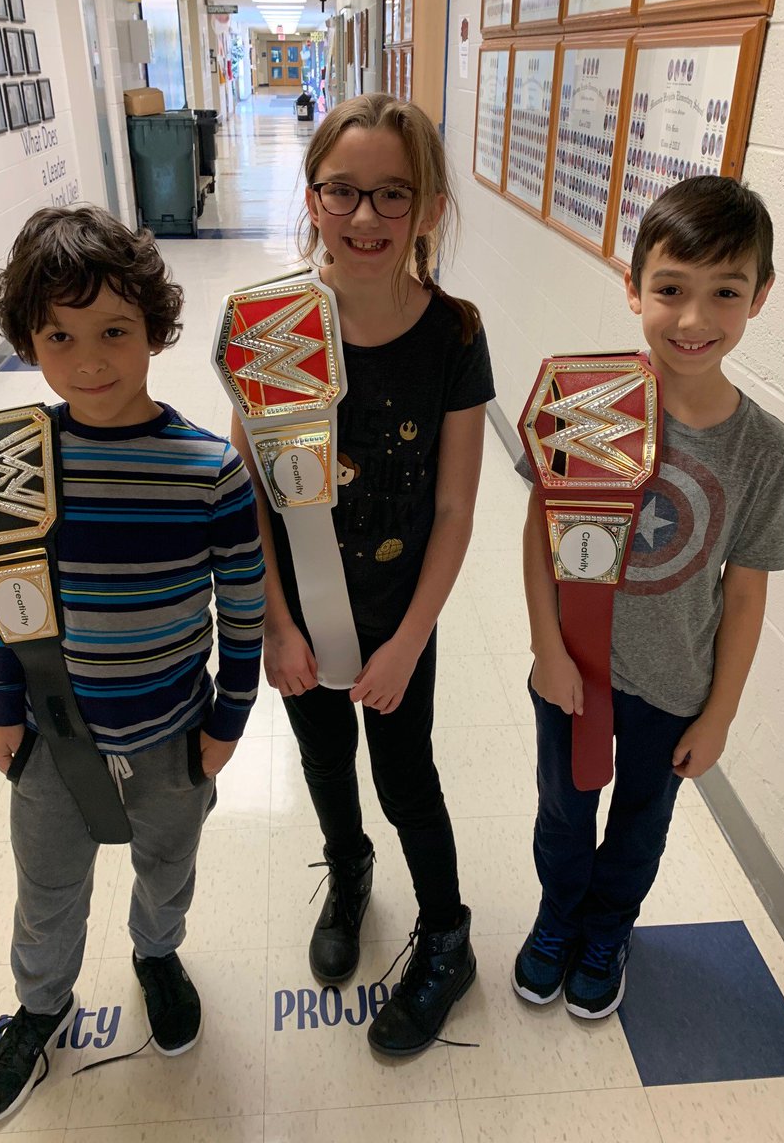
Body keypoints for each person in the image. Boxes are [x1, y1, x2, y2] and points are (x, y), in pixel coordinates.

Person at [0, 206, 265, 1122]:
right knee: (46, 881)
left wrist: (228, 722)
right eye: (59, 336)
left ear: (155, 331)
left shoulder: (207, 468)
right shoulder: (14, 465)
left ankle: (156, 952)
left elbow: (244, 609)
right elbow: (7, 600)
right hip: (55, 738)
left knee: (168, 860)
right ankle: (40, 1005)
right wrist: (2, 706)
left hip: (174, 729)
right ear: (29, 343)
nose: (89, 360)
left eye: (114, 332)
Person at [231, 93, 495, 1057]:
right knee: (323, 760)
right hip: (298, 617)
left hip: (399, 622)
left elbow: (458, 509)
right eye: (344, 192)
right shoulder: (274, 328)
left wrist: (411, 640)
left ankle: (449, 933)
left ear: (429, 206)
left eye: (394, 194)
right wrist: (274, 622)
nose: (368, 219)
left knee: (407, 774)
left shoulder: (456, 335)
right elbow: (247, 491)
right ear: (312, 199)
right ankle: (348, 870)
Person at [513, 176, 784, 1019]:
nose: (693, 319)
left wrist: (719, 715)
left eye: (725, 294)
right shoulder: (586, 398)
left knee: (639, 826)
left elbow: (744, 596)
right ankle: (558, 918)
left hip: (674, 687)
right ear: (632, 285)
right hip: (571, 674)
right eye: (670, 289)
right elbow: (539, 533)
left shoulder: (765, 448)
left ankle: (608, 930)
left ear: (760, 298)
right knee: (564, 816)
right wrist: (546, 648)